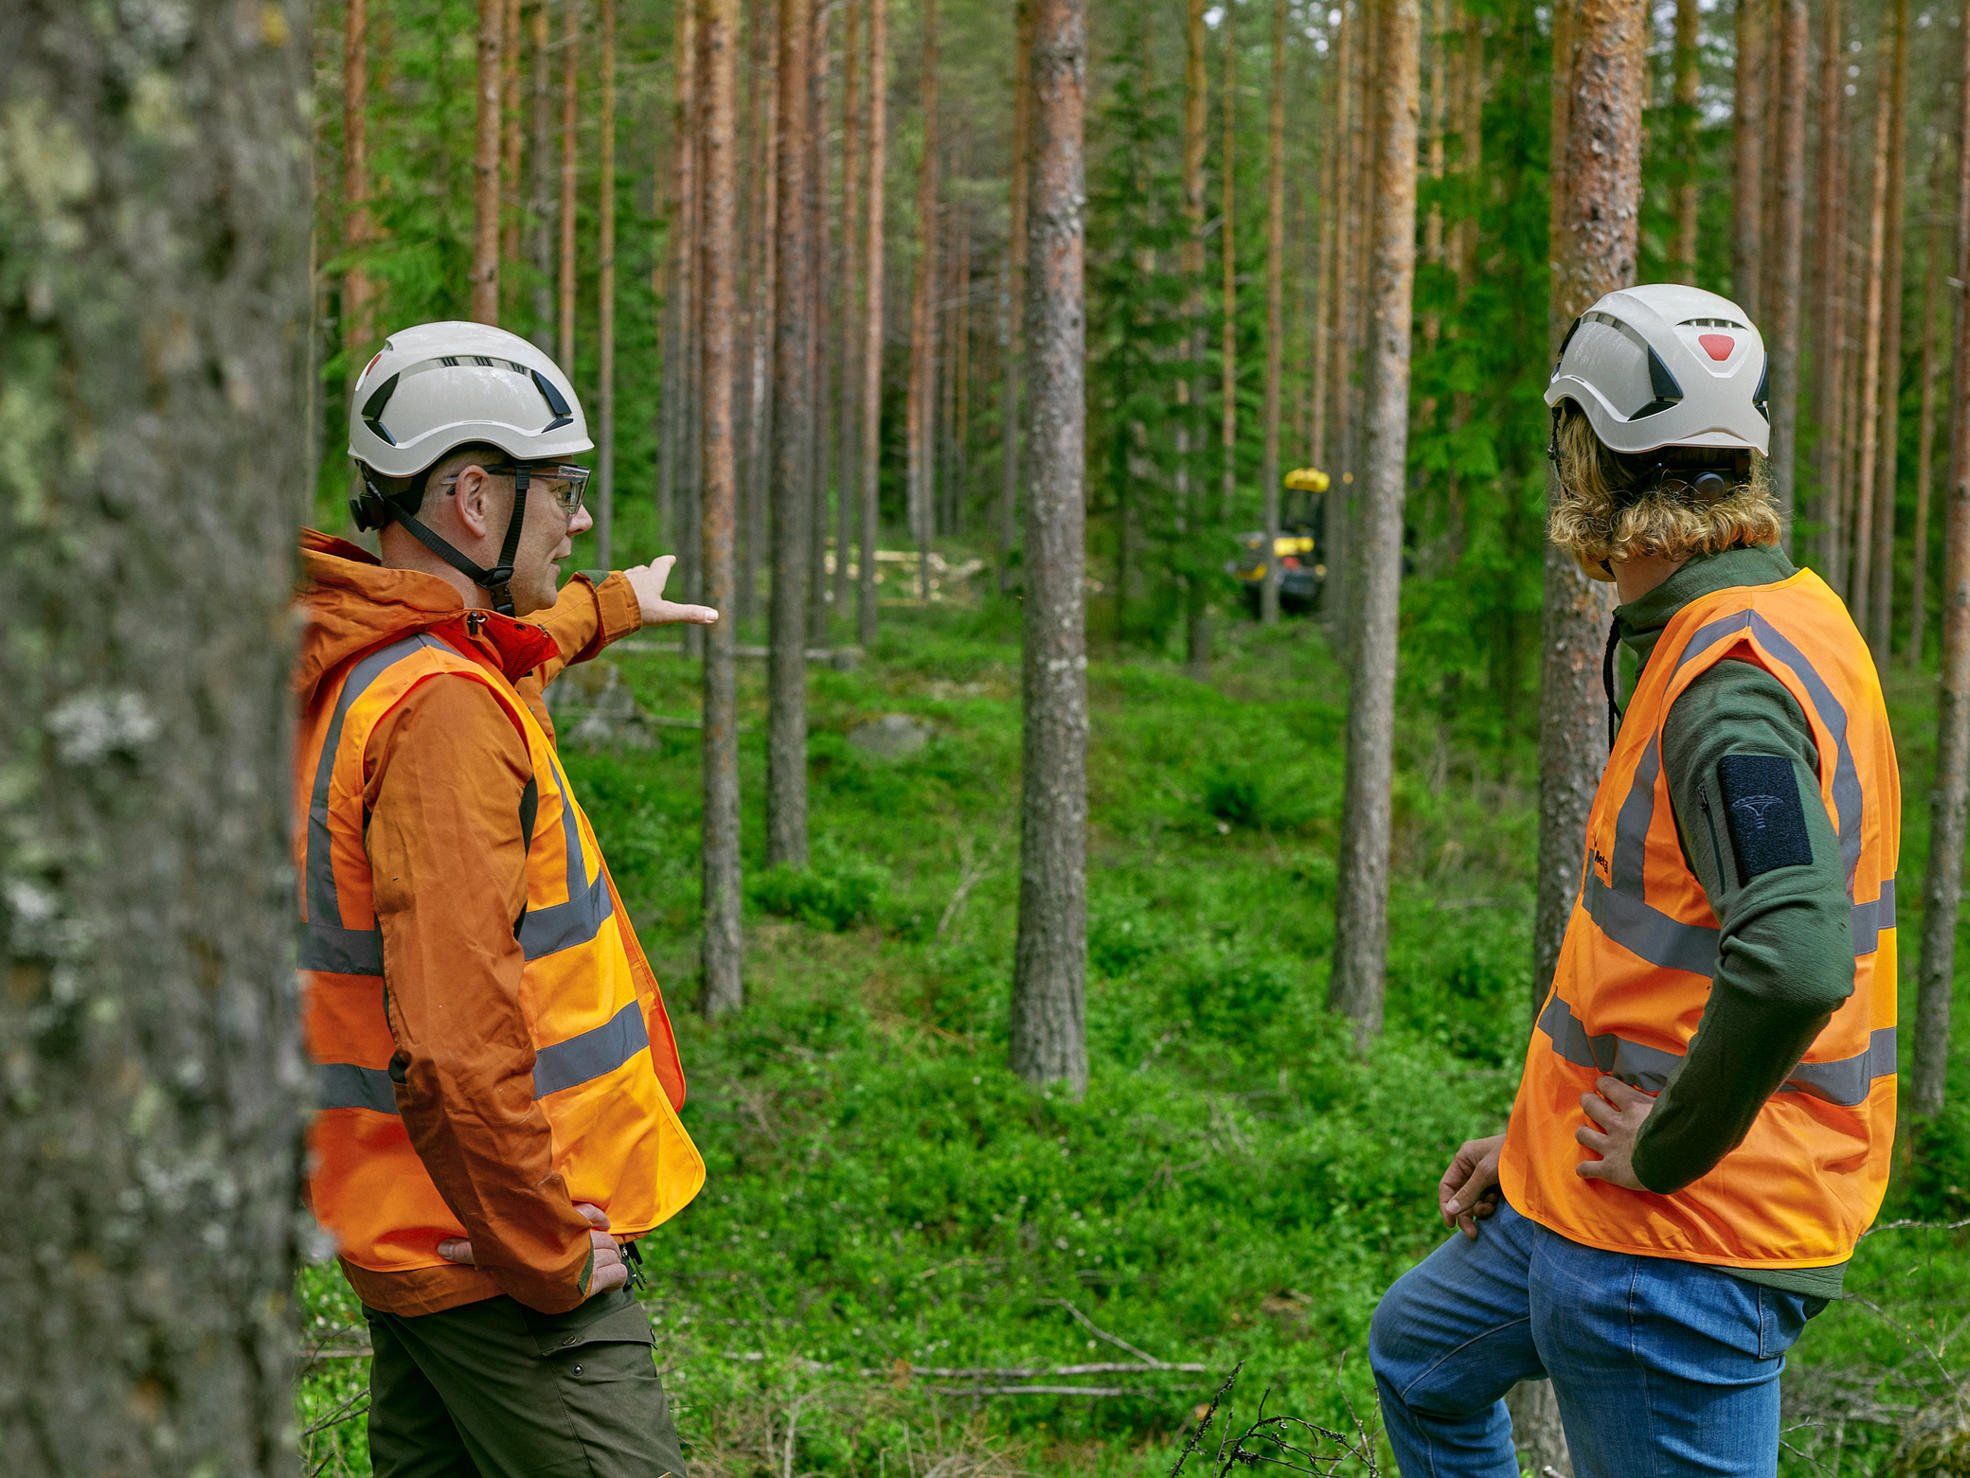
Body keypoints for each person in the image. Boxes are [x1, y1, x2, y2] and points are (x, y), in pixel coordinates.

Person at [1368, 284, 1899, 1478]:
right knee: (1418, 1352)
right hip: (1596, 1202)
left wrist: (1664, 1147)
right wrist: (1523, 1143)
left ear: (1589, 462)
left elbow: (1798, 953)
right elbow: (1654, 964)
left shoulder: (1728, 688)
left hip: (1677, 1243)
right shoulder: (1767, 615)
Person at [295, 321, 718, 1476]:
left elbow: (493, 642)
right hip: (501, 1259)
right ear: (472, 497)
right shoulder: (440, 719)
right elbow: (453, 1044)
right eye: (563, 488)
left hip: (418, 1223)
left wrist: (603, 608)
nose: (579, 519)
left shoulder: (375, 658)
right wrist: (547, 1255)